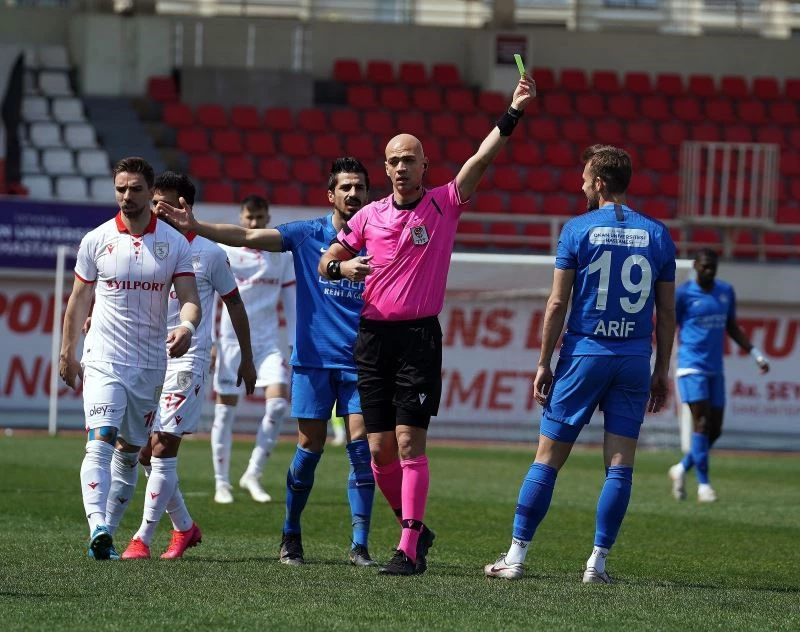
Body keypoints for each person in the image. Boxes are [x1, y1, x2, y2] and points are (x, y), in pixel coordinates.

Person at [318, 75, 536, 575]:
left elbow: (481, 158)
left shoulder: (443, 203)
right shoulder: (368, 215)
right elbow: (327, 258)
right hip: (372, 339)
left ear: (424, 165)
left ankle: (410, 546)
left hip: (418, 338)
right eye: (392, 160)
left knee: (410, 442)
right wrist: (341, 266)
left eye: (408, 159)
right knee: (377, 449)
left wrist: (513, 112)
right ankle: (413, 528)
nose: (399, 167)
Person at [157, 157, 379, 567]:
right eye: (345, 187)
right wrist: (196, 226)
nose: (353, 194)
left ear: (367, 193)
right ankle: (291, 534)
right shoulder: (306, 233)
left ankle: (360, 544)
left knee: (360, 448)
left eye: (359, 188)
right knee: (309, 446)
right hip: (313, 361)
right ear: (331, 195)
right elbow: (244, 235)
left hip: (361, 362)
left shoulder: (381, 235)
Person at [483, 144, 676, 584]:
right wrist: (660, 370)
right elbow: (666, 314)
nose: (581, 184)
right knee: (620, 464)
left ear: (601, 183)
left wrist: (542, 362)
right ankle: (597, 563)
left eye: (586, 177)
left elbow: (557, 303)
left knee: (547, 459)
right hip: (631, 359)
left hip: (584, 354)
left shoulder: (577, 230)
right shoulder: (659, 235)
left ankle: (515, 557)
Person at [104, 172, 256, 559]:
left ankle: (142, 539)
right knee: (138, 450)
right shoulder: (143, 247)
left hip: (187, 358)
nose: (161, 210)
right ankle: (185, 527)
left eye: (169, 204)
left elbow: (235, 304)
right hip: (146, 358)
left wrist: (247, 358)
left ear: (187, 206)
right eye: (156, 203)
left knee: (162, 446)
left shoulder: (209, 252)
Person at [59, 156, 201, 560]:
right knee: (100, 440)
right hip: (103, 358)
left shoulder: (173, 244)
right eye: (121, 188)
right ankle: (97, 526)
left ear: (149, 193)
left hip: (150, 365)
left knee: (128, 452)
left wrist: (186, 328)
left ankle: (107, 536)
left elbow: (191, 302)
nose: (127, 196)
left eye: (135, 189)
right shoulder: (97, 239)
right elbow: (78, 300)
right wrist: (68, 351)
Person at [210, 195, 296, 504]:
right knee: (225, 412)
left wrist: (294, 343)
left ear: (267, 217)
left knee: (277, 406)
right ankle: (222, 482)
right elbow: (209, 296)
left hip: (268, 343)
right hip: (230, 341)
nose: (255, 224)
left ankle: (253, 473)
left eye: (260, 218)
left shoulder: (280, 254)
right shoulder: (226, 250)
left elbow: (291, 300)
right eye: (250, 218)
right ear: (241, 217)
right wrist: (209, 341)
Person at [668, 249, 769, 503]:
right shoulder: (683, 294)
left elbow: (732, 326)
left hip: (715, 368)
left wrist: (756, 353)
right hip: (691, 366)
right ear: (695, 266)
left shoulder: (725, 291)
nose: (709, 271)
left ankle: (680, 469)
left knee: (715, 430)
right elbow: (668, 325)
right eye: (704, 266)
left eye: (713, 266)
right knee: (701, 423)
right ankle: (704, 486)